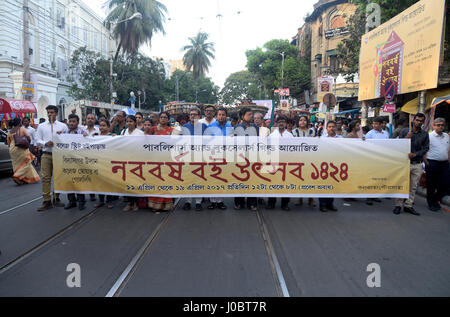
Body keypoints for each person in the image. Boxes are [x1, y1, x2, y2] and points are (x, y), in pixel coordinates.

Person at [393, 113, 429, 216]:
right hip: (405, 163)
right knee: (402, 184)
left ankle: (408, 205)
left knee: (413, 186)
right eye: (417, 120)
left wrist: (416, 154)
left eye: (421, 121)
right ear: (413, 120)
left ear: (423, 122)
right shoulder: (405, 131)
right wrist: (406, 139)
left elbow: (426, 148)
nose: (419, 122)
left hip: (417, 163)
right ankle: (398, 205)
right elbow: (398, 145)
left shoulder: (424, 134)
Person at [35, 105, 67, 211]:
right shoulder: (41, 126)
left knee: (58, 177)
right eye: (48, 112)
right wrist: (45, 143)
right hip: (46, 154)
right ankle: (46, 200)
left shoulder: (63, 126)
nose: (50, 114)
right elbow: (37, 140)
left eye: (52, 112)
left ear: (57, 113)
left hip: (58, 155)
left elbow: (68, 139)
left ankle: (56, 198)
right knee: (45, 178)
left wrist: (61, 136)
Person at [205, 107, 233, 210]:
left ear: (226, 116)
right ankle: (213, 201)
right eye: (219, 115)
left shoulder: (229, 126)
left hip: (225, 155)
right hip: (213, 155)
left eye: (223, 115)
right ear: (216, 116)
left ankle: (220, 201)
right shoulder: (211, 126)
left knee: (222, 178)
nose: (221, 117)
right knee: (213, 177)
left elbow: (231, 141)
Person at [147, 113, 176, 213]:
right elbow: (144, 141)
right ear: (159, 119)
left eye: (165, 118)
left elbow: (174, 144)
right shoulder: (153, 129)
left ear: (168, 120)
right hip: (154, 159)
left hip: (166, 159)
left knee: (165, 181)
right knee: (155, 181)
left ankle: (166, 205)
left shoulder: (172, 131)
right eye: (161, 117)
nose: (163, 119)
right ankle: (154, 205)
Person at [182, 107, 208, 211]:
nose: (193, 116)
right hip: (187, 156)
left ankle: (198, 202)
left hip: (200, 156)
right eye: (191, 114)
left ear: (199, 116)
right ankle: (187, 201)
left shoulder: (204, 127)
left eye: (195, 114)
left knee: (198, 179)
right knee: (187, 179)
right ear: (189, 116)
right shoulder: (184, 127)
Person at [233, 107, 259, 211]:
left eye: (251, 114)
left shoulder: (255, 127)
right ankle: (239, 202)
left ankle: (252, 203)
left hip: (252, 156)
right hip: (240, 157)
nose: (251, 116)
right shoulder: (237, 127)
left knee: (252, 180)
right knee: (240, 179)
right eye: (249, 114)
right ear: (242, 116)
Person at [266, 116, 293, 211]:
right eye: (280, 122)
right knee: (273, 183)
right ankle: (271, 203)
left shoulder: (290, 136)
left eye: (283, 121)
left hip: (286, 163)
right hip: (274, 162)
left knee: (286, 183)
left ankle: (285, 204)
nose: (281, 123)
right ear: (276, 123)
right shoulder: (271, 136)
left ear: (286, 123)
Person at [62, 114, 87, 211]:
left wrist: (86, 137)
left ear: (77, 122)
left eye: (73, 121)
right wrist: (58, 135)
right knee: (69, 181)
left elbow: (88, 144)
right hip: (67, 161)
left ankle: (81, 202)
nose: (71, 123)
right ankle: (71, 201)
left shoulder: (82, 132)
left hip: (79, 161)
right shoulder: (64, 132)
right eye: (70, 121)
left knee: (79, 181)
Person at [424, 118, 449, 212]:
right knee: (431, 184)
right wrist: (425, 162)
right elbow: (424, 150)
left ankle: (435, 199)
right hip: (432, 163)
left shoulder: (446, 136)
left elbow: (448, 149)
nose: (440, 127)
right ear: (433, 126)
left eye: (442, 125)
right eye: (438, 125)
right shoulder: (429, 136)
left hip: (445, 163)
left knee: (445, 184)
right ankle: (431, 203)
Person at [6, 118, 40, 185]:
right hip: (21, 148)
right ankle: (17, 175)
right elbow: (28, 137)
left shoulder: (10, 131)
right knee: (26, 162)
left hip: (13, 149)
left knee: (17, 164)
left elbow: (8, 142)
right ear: (19, 123)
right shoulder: (22, 129)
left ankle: (23, 178)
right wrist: (28, 143)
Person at [292, 115, 316, 207]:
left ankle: (311, 198)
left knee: (310, 179)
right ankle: (300, 198)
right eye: (300, 120)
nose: (302, 122)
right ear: (298, 122)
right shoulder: (294, 132)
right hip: (298, 159)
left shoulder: (312, 132)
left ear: (307, 121)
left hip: (310, 159)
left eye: (304, 120)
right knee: (300, 179)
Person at [318, 121, 340, 212]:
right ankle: (322, 205)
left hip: (336, 165)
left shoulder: (341, 138)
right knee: (324, 186)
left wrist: (362, 139)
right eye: (329, 127)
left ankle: (330, 204)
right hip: (324, 165)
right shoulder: (322, 138)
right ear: (326, 128)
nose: (331, 128)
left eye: (333, 126)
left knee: (333, 185)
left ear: (336, 128)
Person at [94, 120, 115, 209]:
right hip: (98, 162)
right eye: (100, 126)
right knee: (99, 182)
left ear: (108, 126)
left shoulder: (112, 136)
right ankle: (101, 200)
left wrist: (116, 137)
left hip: (108, 162)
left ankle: (109, 201)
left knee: (108, 182)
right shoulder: (95, 136)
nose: (102, 127)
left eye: (104, 125)